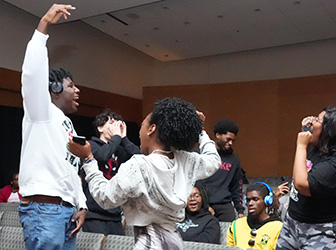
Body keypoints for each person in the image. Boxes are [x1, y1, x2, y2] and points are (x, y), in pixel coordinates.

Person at [68, 97, 221, 250]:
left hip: (148, 244)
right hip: (174, 243)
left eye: (142, 126)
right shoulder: (187, 160)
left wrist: (88, 159)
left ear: (151, 129)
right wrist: (200, 131)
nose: (139, 132)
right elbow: (213, 160)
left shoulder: (139, 165)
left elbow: (105, 198)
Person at [18, 4, 87, 250]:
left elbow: (70, 169)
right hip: (44, 209)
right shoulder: (42, 111)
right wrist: (44, 25)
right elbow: (33, 74)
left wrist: (81, 205)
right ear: (55, 90)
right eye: (71, 86)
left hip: (66, 212)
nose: (77, 90)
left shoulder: (66, 123)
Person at [276, 106, 336, 250]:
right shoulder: (318, 147)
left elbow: (302, 185)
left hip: (319, 231)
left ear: (328, 131)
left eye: (317, 120)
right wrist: (308, 126)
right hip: (292, 224)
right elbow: (311, 130)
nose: (312, 122)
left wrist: (301, 146)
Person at [81, 110, 140, 235]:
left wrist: (124, 138)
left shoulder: (119, 150)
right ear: (100, 127)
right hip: (94, 214)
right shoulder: (91, 145)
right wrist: (116, 137)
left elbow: (140, 158)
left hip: (115, 214)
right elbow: (102, 156)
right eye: (112, 123)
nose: (115, 127)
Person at [199, 119, 245, 222]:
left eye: (233, 140)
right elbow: (195, 181)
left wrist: (240, 211)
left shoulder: (234, 160)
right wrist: (205, 205)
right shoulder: (201, 154)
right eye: (228, 139)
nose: (230, 143)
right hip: (201, 203)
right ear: (218, 135)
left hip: (224, 205)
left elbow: (236, 187)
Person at [227, 182, 283, 250]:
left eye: (255, 199)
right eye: (248, 200)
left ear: (267, 201)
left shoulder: (279, 227)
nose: (250, 203)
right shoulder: (236, 225)